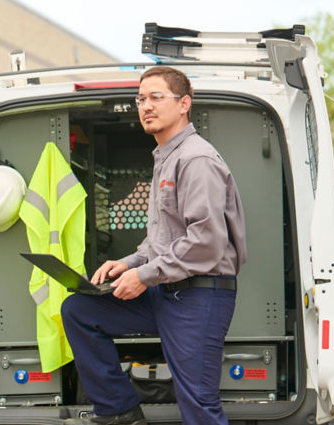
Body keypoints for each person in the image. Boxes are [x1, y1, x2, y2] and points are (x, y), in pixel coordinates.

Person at [61, 66, 247, 425]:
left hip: (199, 297)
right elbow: (160, 241)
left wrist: (143, 276)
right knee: (80, 310)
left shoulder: (196, 159)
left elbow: (206, 242)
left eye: (156, 97)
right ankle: (119, 409)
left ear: (183, 104)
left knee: (198, 404)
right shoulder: (165, 158)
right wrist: (129, 264)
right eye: (141, 99)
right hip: (166, 292)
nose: (145, 105)